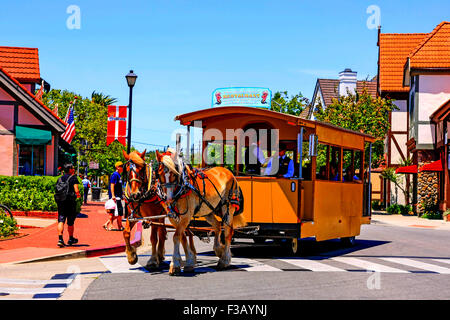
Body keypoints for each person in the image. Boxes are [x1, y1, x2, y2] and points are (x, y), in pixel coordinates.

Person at [56, 163, 81, 247]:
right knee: (70, 221)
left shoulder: (60, 178)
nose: (74, 169)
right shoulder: (73, 178)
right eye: (73, 168)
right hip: (70, 201)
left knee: (61, 219)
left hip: (61, 201)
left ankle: (60, 239)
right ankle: (70, 238)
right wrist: (78, 195)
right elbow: (76, 190)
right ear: (70, 169)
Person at [105, 161, 124, 231]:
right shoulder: (115, 175)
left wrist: (122, 194)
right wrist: (113, 195)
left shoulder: (119, 175)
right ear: (117, 167)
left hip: (118, 196)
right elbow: (112, 185)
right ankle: (111, 225)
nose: (122, 168)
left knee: (119, 212)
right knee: (113, 212)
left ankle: (119, 225)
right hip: (115, 197)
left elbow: (119, 186)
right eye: (121, 166)